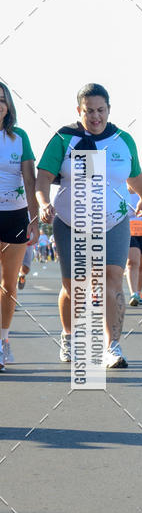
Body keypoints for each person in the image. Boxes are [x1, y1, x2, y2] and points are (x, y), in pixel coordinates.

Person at [36, 82, 142, 369]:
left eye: (101, 110)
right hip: (70, 221)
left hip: (114, 221)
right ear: (79, 111)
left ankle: (112, 346)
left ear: (109, 109)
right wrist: (43, 203)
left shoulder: (123, 140)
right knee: (73, 286)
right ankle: (69, 336)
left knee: (112, 278)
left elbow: (135, 175)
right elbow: (43, 177)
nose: (96, 116)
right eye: (89, 111)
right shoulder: (64, 138)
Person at [0, 81, 38, 368]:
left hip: (15, 215)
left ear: (8, 106)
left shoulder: (19, 137)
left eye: (2, 100)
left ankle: (3, 340)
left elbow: (30, 180)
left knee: (9, 284)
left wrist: (34, 220)